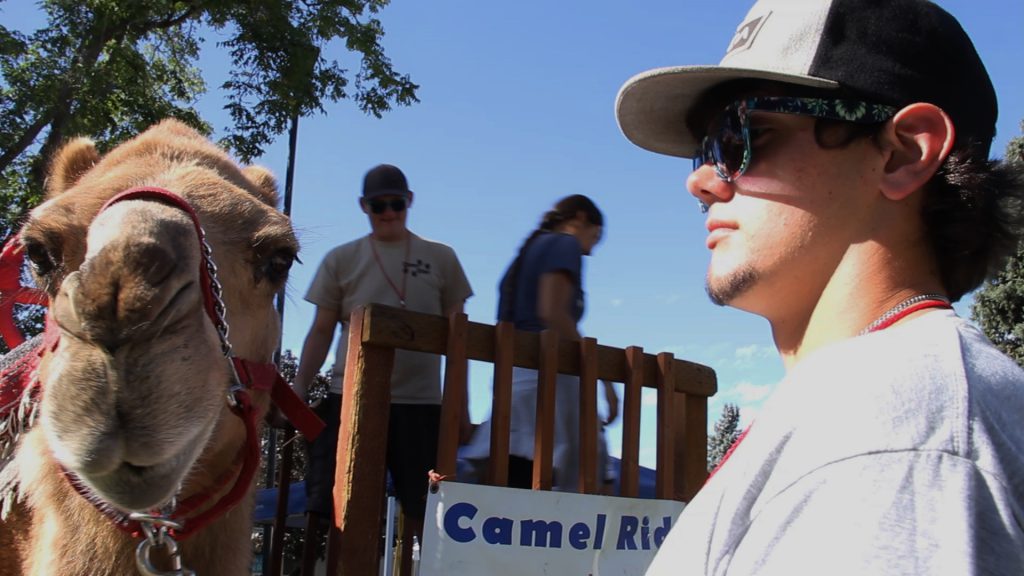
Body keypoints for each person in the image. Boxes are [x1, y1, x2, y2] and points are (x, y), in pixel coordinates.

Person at [615, 0, 1024, 574]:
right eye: (704, 150)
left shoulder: (893, 428)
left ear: (903, 153)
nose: (700, 180)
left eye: (744, 136)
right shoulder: (864, 407)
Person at [292, 163, 473, 543]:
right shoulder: (341, 259)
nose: (388, 213)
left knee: (428, 512)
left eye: (396, 204)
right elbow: (321, 331)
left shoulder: (442, 258)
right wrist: (299, 388)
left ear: (409, 201)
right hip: (353, 398)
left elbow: (461, 341)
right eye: (379, 206)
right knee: (339, 505)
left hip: (420, 403)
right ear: (363, 206)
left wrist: (461, 408)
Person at [463, 194, 604, 490]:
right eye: (596, 235)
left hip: (515, 383)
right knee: (572, 482)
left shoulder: (528, 253)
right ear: (579, 218)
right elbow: (552, 312)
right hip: (547, 381)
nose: (591, 250)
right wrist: (601, 378)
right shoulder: (563, 244)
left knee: (515, 487)